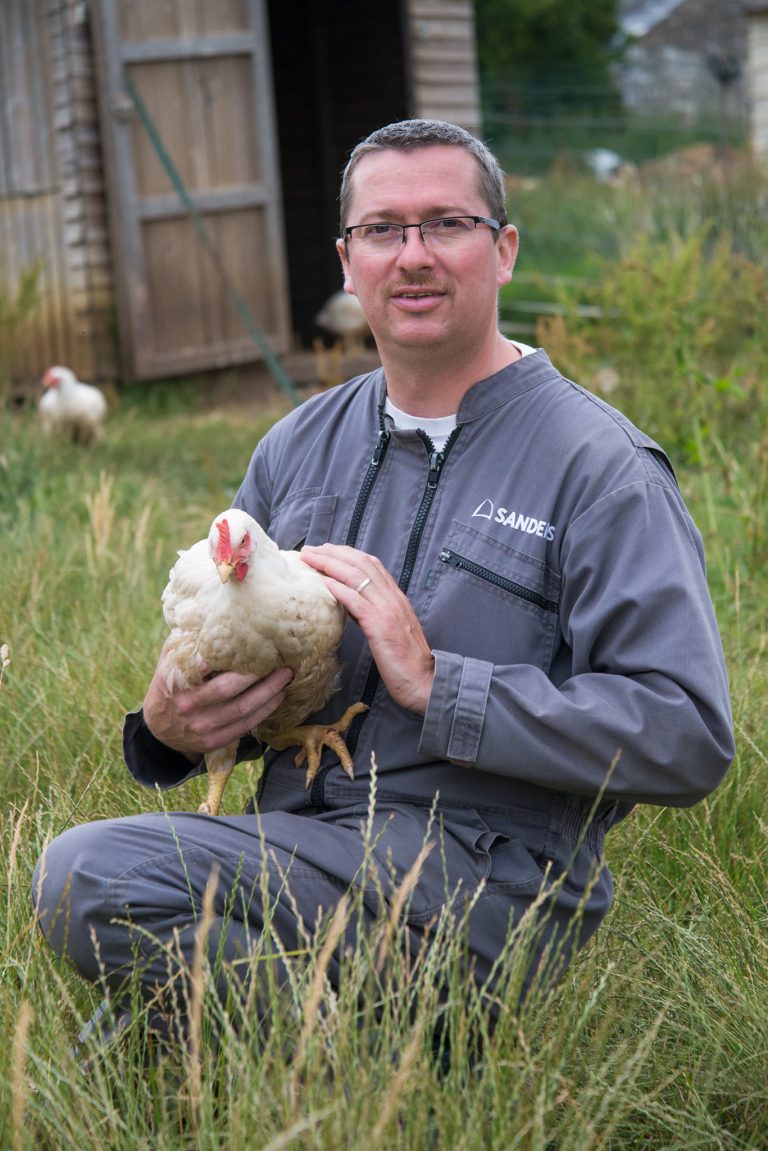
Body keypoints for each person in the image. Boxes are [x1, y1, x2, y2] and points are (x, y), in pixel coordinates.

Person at [33, 119, 735, 1052]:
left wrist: (442, 686)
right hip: (298, 848)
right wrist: (169, 726)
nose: (413, 257)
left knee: (82, 875)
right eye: (382, 231)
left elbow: (689, 736)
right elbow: (241, 675)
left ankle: (363, 1043)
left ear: (505, 249)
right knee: (111, 997)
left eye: (447, 223)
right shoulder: (299, 444)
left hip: (484, 880)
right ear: (348, 259)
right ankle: (387, 1045)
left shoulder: (600, 469)